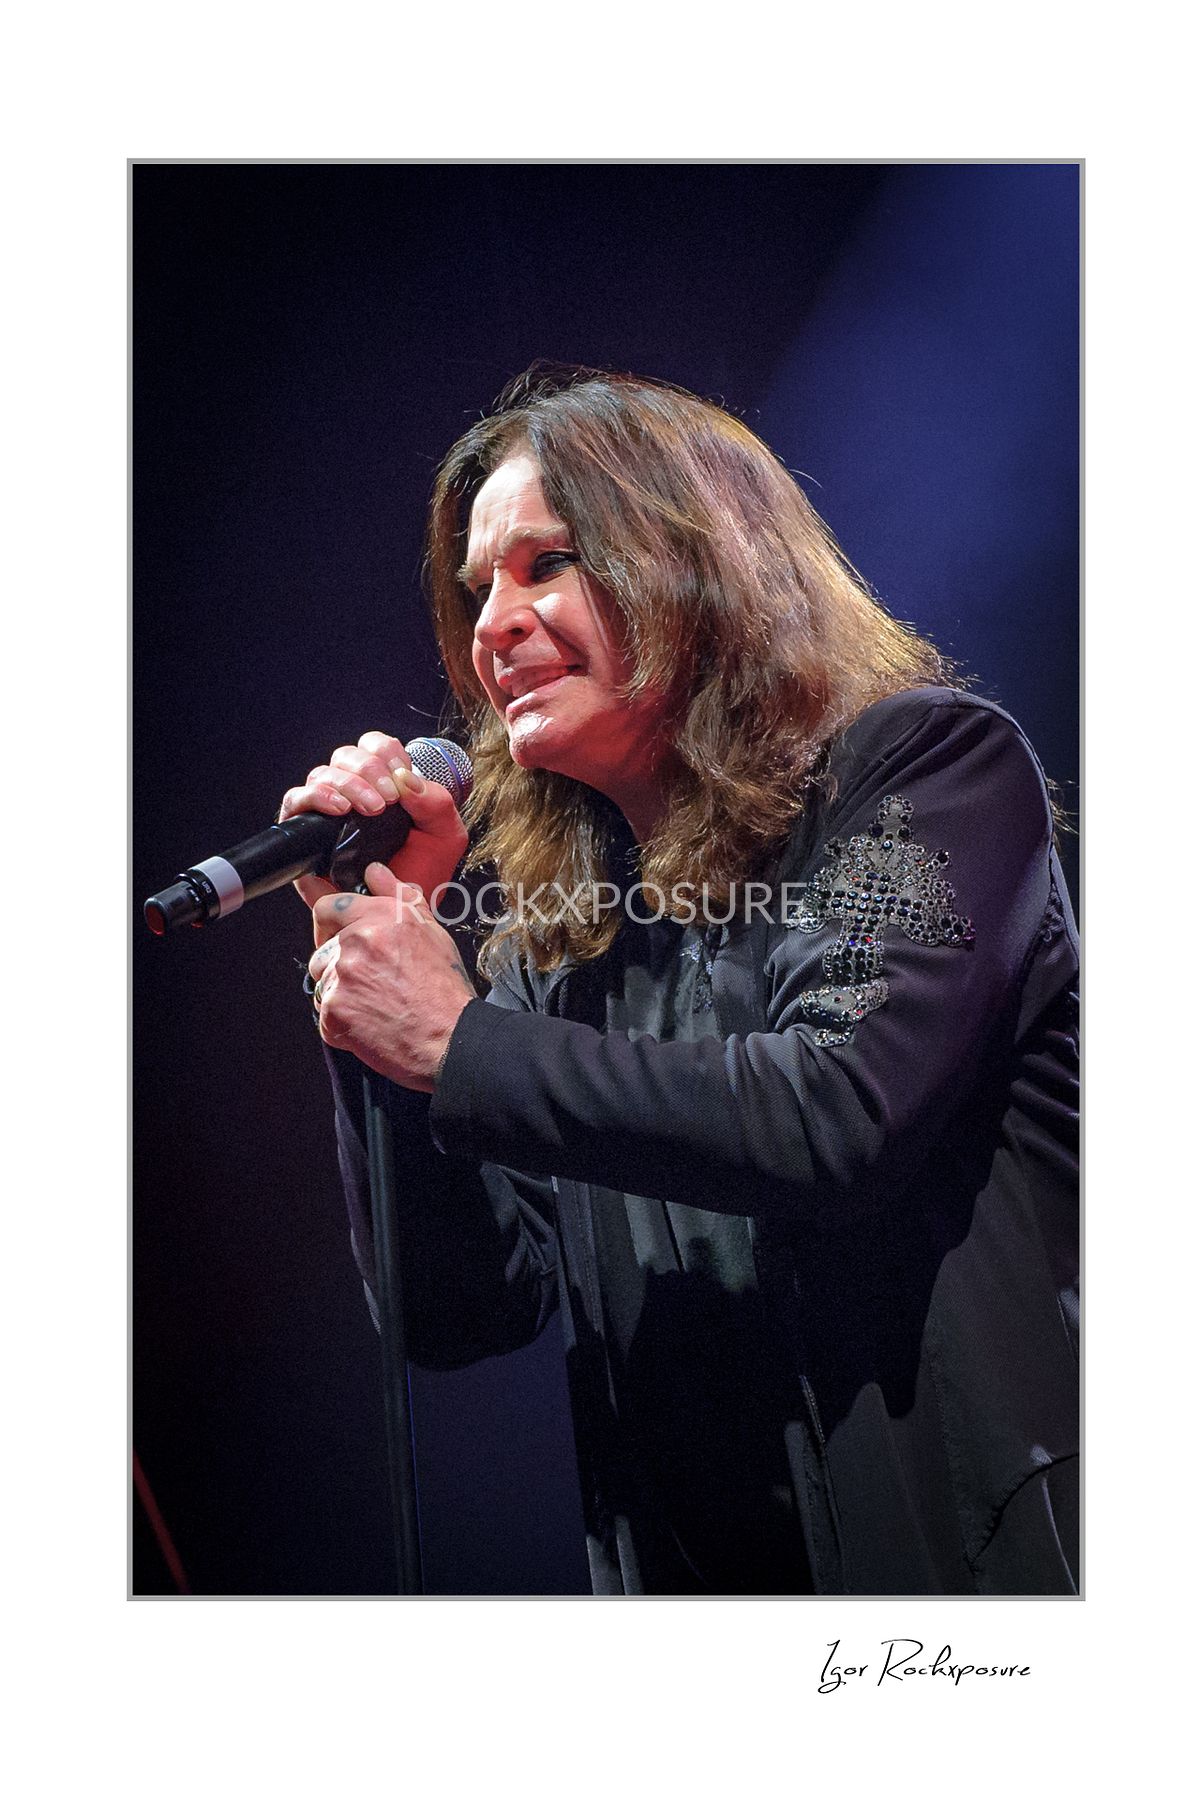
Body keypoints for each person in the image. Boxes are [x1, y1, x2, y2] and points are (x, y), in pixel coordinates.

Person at [280, 366, 1079, 1596]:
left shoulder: (932, 769)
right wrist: (388, 950)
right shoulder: (561, 945)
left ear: (695, 564)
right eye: (478, 586)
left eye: (548, 565)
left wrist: (457, 1043)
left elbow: (839, 1109)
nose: (493, 623)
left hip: (973, 1589)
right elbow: (464, 1314)